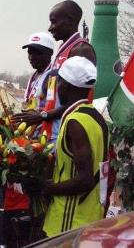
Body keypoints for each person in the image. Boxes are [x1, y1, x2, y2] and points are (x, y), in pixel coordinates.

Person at [43, 56, 109, 237]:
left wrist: (48, 188)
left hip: (69, 221)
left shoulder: (75, 122)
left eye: (60, 82)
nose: (57, 87)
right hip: (90, 217)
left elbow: (84, 179)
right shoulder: (96, 117)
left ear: (67, 86)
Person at [13, 0, 96, 143]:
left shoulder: (81, 50)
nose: (50, 28)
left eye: (54, 22)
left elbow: (76, 102)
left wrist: (41, 116)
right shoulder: (63, 50)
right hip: (50, 135)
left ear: (70, 21)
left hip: (68, 136)